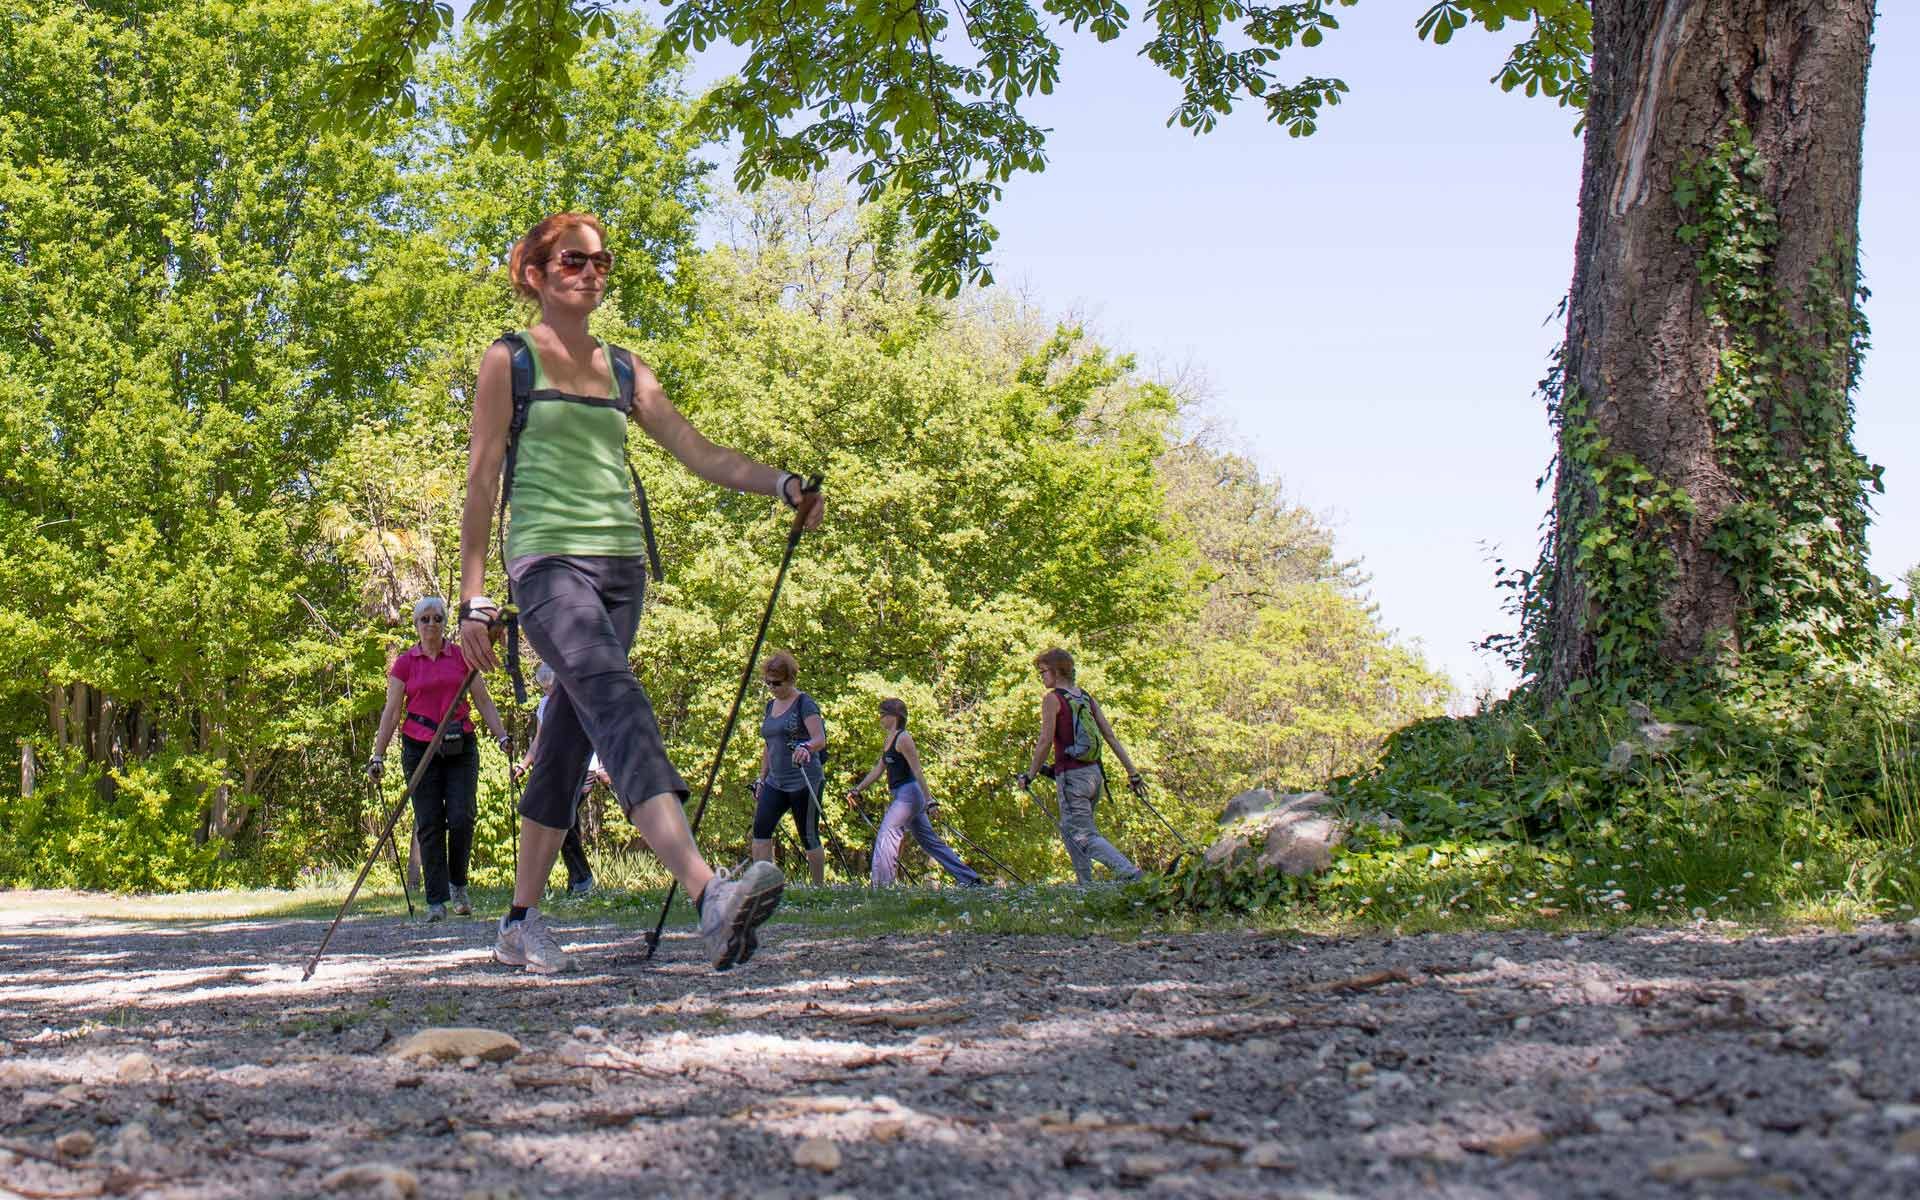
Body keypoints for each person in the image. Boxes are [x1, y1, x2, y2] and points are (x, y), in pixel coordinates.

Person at [457, 211, 823, 974]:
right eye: (573, 260)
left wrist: (781, 484)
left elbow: (699, 453)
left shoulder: (626, 370)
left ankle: (518, 923)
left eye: (601, 260)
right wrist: (474, 600)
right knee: (618, 702)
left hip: (623, 575)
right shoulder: (510, 359)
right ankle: (708, 896)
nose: (591, 271)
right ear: (534, 274)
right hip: (548, 566)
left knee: (569, 734)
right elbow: (483, 478)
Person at [368, 596, 515, 920]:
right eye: (425, 619)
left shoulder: (462, 657)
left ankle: (458, 884)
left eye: (437, 618)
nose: (431, 624)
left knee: (462, 817)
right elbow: (392, 712)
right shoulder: (405, 663)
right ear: (416, 625)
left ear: (445, 623)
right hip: (419, 748)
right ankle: (436, 901)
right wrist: (377, 755)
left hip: (459, 744)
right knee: (430, 822)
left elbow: (483, 701)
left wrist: (503, 736)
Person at [1017, 648, 1147, 883]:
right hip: (1094, 776)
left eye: (1043, 672)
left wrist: (1030, 774)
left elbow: (1045, 741)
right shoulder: (1085, 697)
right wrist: (1133, 772)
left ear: (1056, 671)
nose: (1042, 677)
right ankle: (1086, 889)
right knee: (1071, 833)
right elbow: (1110, 736)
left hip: (1073, 779)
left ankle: (1130, 873)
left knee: (1083, 836)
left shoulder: (1052, 699)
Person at [848, 698, 983, 887]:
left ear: (894, 716)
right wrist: (857, 789)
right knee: (930, 842)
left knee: (888, 833)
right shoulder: (889, 739)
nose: (880, 719)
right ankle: (970, 879)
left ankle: (881, 886)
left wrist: (929, 800)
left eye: (882, 714)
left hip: (909, 796)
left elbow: (917, 770)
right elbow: (878, 770)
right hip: (901, 795)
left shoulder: (903, 738)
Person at [751, 652, 827, 886]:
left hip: (804, 779)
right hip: (775, 781)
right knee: (760, 832)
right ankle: (766, 887)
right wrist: (761, 779)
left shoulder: (805, 703)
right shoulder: (770, 706)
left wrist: (806, 747)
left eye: (777, 682)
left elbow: (819, 739)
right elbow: (768, 745)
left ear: (790, 679)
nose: (772, 687)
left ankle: (818, 888)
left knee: (808, 836)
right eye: (768, 682)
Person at [522, 663, 594, 898]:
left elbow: (596, 734)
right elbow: (539, 742)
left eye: (551, 687)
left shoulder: (578, 699)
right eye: (544, 689)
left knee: (563, 821)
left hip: (584, 769)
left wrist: (605, 765)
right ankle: (578, 880)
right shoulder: (545, 706)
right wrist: (523, 765)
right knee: (561, 822)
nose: (548, 692)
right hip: (555, 769)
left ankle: (581, 878)